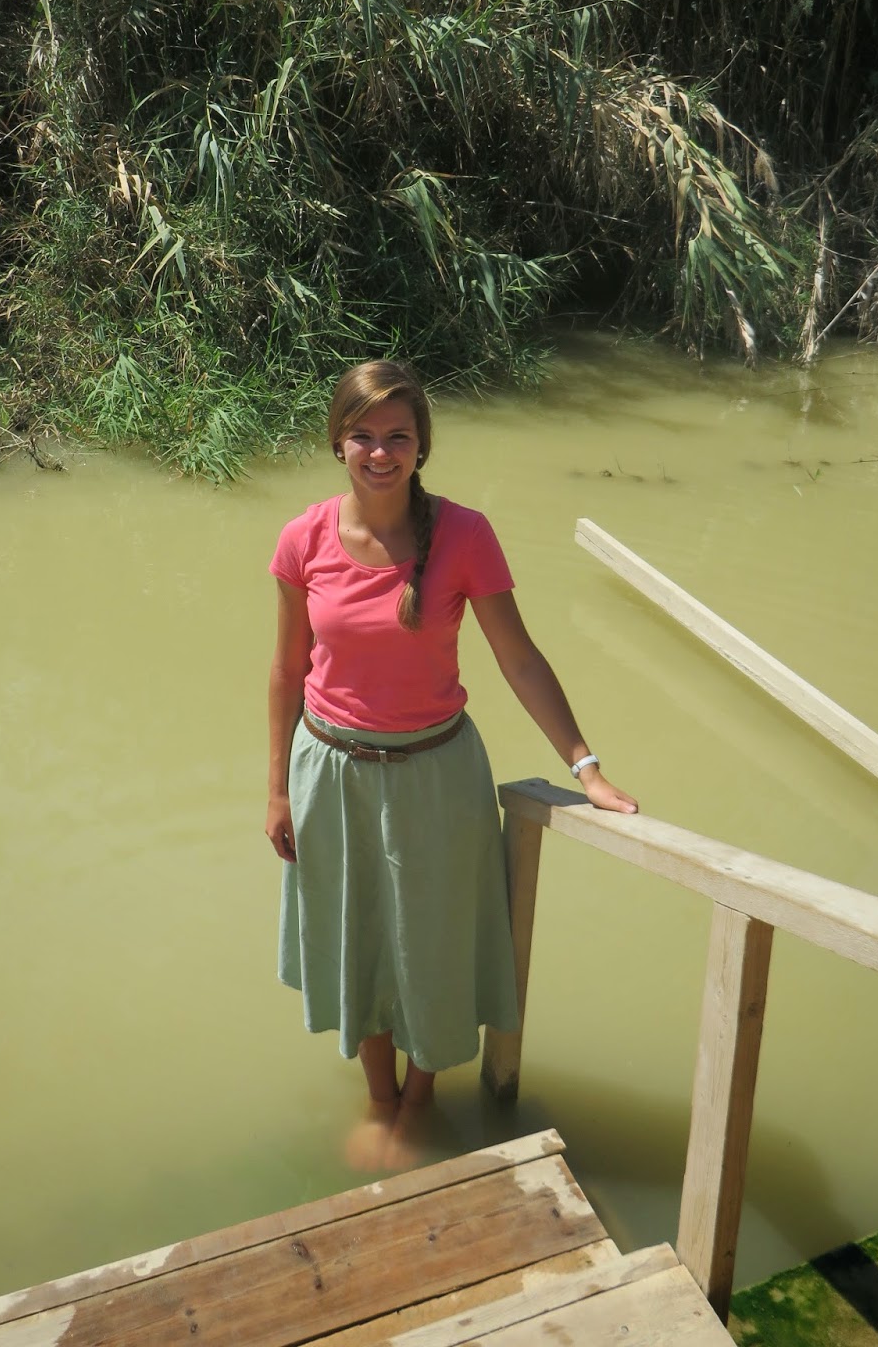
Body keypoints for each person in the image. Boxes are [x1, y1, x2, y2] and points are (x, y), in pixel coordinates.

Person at [266, 359, 637, 1169]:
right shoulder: (303, 538)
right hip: (330, 772)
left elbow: (520, 659)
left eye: (398, 436)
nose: (380, 452)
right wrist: (276, 792)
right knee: (356, 934)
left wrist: (587, 767)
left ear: (422, 446)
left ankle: (421, 1099)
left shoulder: (466, 536)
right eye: (364, 435)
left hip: (436, 775)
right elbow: (287, 671)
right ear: (337, 442)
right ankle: (379, 1097)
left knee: (431, 942)